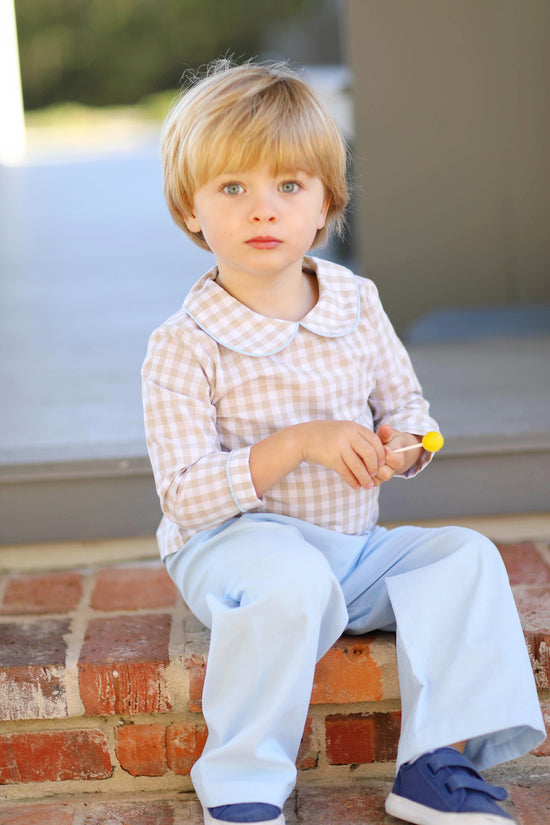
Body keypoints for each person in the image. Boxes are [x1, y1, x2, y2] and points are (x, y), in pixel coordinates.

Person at [142, 60, 545, 825]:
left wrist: (405, 442)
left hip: (351, 549)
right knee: (292, 579)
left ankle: (434, 762)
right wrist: (298, 441)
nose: (264, 209)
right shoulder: (184, 343)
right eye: (233, 188)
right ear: (189, 208)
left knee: (465, 556)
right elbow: (185, 494)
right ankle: (241, 787)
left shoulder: (356, 303)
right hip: (232, 544)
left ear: (326, 201)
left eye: (289, 186)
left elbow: (411, 407)